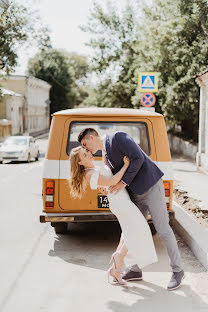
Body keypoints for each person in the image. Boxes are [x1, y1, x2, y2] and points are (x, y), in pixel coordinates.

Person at [77, 128, 185, 291]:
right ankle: (135, 269)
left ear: (92, 137)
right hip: (135, 194)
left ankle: (178, 271)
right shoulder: (105, 157)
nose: (86, 149)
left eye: (85, 144)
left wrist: (123, 183)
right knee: (133, 230)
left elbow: (138, 158)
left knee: (163, 229)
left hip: (151, 186)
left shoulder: (117, 137)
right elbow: (113, 178)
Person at [69, 146, 158, 285]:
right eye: (84, 156)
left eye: (87, 152)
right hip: (120, 202)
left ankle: (116, 268)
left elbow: (106, 179)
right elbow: (112, 181)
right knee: (140, 229)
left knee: (130, 231)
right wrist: (126, 166)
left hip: (121, 200)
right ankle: (118, 258)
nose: (89, 154)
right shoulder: (88, 173)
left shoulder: (93, 168)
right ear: (80, 163)